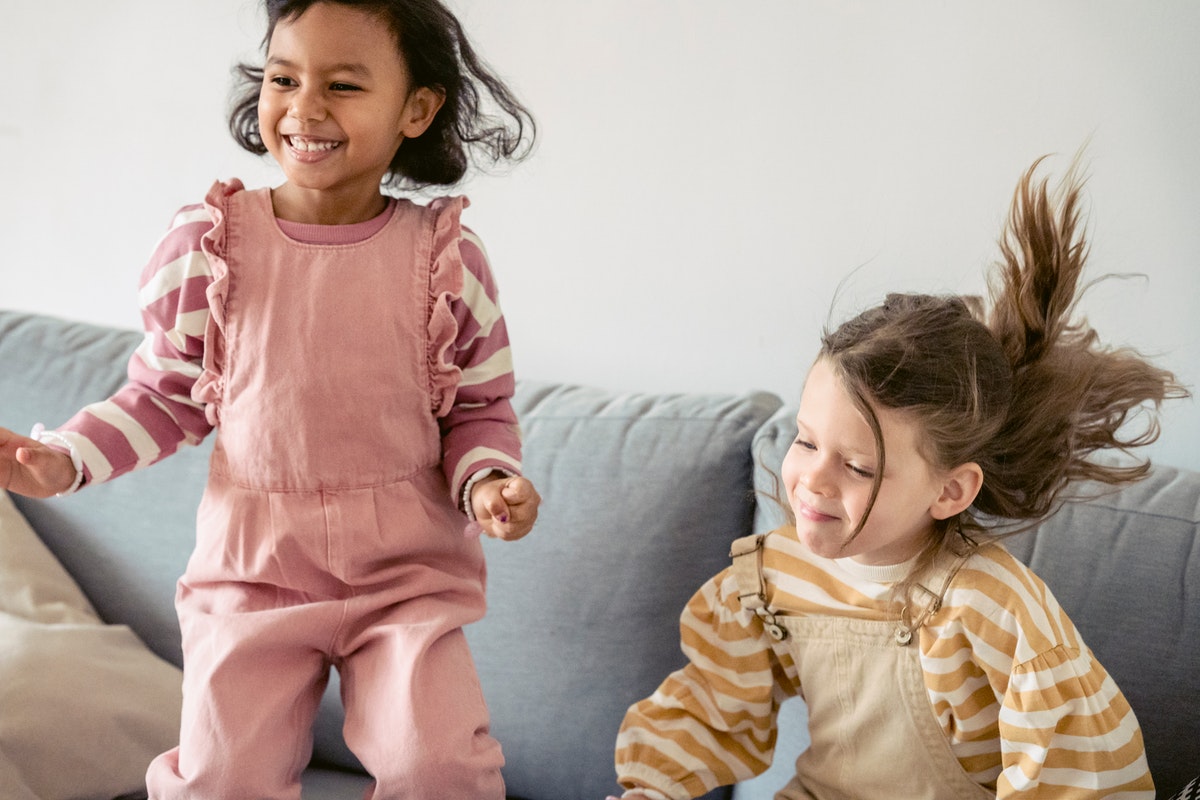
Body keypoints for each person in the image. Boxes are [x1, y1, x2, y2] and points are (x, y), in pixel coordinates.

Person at [0, 1, 539, 797]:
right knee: (222, 776)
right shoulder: (212, 247)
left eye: (345, 85)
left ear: (416, 109)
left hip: (405, 576)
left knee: (439, 766)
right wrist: (67, 458)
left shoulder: (447, 260)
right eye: (284, 78)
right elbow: (164, 396)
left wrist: (490, 480)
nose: (305, 107)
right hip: (253, 570)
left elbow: (479, 409)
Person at [608, 157, 1187, 800]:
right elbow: (715, 705)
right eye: (805, 441)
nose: (812, 481)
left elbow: (1076, 771)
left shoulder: (992, 605)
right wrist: (653, 788)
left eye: (858, 467)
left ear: (950, 491)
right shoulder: (775, 575)